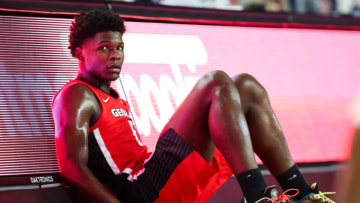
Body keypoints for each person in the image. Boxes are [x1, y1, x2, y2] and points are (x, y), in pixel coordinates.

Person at [52, 9, 335, 203]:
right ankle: (258, 195)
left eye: (119, 47)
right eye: (104, 48)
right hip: (139, 191)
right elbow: (71, 169)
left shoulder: (112, 95)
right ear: (80, 53)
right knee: (216, 82)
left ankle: (300, 194)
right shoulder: (76, 95)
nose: (115, 55)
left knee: (246, 86)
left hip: (156, 181)